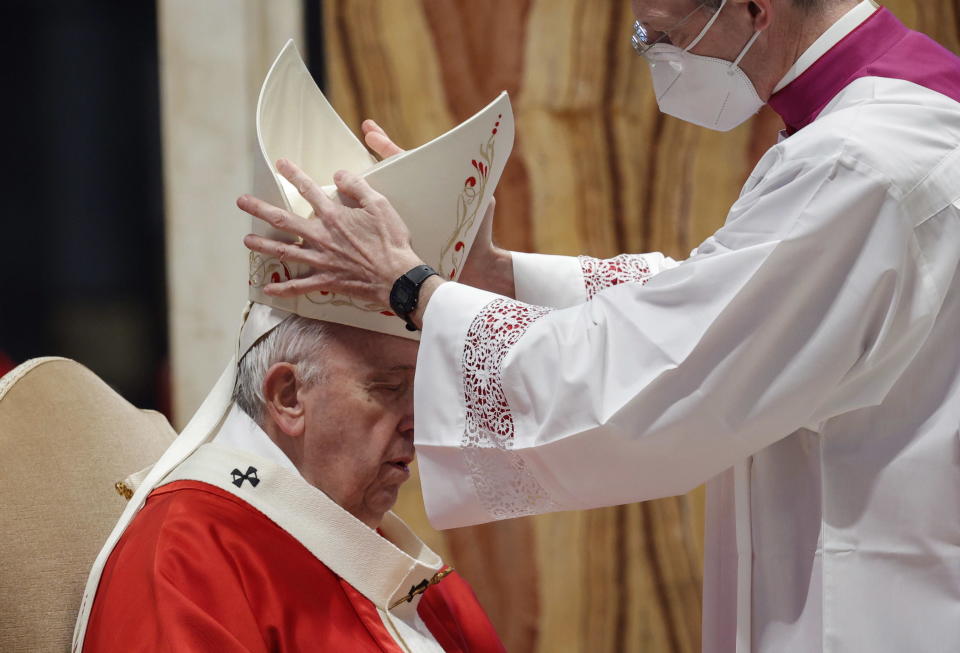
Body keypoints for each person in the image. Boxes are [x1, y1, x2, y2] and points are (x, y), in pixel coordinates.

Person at [237, 0, 960, 650]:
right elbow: (721, 300)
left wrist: (411, 288)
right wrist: (490, 273)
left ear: (752, 8)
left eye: (665, 34)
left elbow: (660, 372)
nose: (657, 55)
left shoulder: (858, 161)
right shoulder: (896, 116)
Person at [82, 315, 505, 652]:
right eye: (390, 387)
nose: (418, 423)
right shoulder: (187, 551)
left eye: (420, 392)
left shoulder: (384, 548)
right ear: (288, 396)